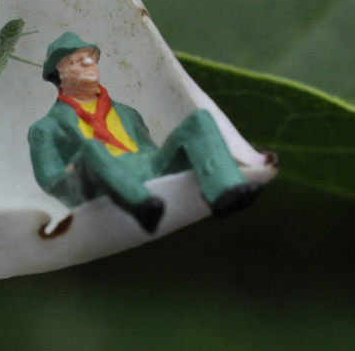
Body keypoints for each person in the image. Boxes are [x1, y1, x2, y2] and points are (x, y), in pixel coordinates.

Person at [28, 33, 262, 233]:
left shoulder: (127, 113)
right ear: (58, 75)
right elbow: (50, 180)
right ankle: (143, 207)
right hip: (100, 182)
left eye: (90, 58)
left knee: (199, 121)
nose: (87, 63)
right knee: (91, 148)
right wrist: (75, 167)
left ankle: (225, 192)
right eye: (75, 61)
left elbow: (147, 145)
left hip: (147, 166)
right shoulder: (44, 129)